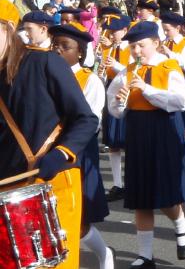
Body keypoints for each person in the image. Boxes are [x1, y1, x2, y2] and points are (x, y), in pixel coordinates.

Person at [0, 0, 98, 269]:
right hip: (8, 186)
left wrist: (61, 154)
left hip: (51, 182)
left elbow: (85, 119)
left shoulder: (44, 63)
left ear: (8, 28)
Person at [107, 21, 185, 268]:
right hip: (137, 131)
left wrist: (146, 89)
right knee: (141, 196)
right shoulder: (126, 72)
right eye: (133, 47)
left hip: (164, 130)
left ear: (155, 44)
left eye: (141, 46)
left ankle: (181, 224)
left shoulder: (169, 67)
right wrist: (119, 102)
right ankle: (145, 255)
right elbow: (114, 110)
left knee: (166, 193)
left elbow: (180, 101)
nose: (136, 51)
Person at [49, 22, 114, 269]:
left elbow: (91, 122)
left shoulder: (90, 80)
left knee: (79, 218)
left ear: (79, 53)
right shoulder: (46, 74)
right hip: (48, 150)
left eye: (65, 46)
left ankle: (104, 254)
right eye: (55, 45)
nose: (57, 50)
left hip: (77, 153)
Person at [98, 14, 132, 202]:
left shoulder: (132, 49)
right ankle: (117, 184)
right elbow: (103, 77)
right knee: (113, 143)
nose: (111, 35)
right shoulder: (108, 49)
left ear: (125, 31)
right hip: (111, 92)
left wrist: (116, 65)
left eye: (115, 31)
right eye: (110, 31)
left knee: (128, 141)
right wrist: (102, 71)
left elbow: (132, 72)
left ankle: (130, 183)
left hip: (127, 93)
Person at [159, 12, 185, 136]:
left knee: (184, 126)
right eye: (164, 30)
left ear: (177, 28)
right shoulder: (164, 42)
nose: (165, 33)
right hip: (165, 84)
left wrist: (170, 54)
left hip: (183, 84)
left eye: (168, 30)